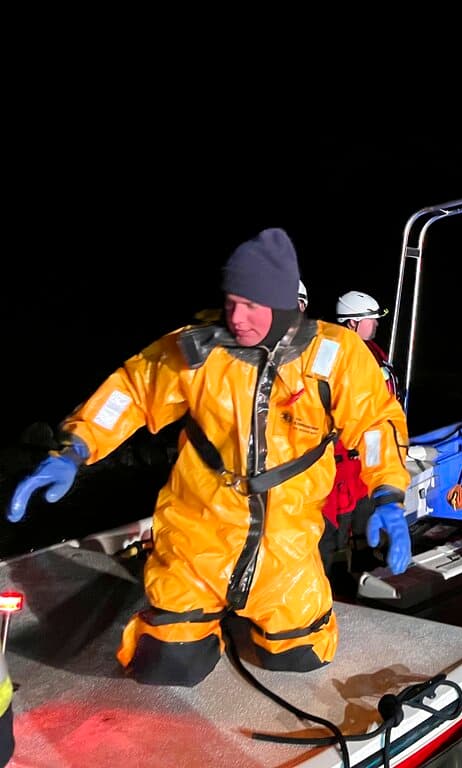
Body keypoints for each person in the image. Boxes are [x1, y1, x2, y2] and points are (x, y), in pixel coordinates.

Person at [6, 228, 412, 686]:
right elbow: (132, 392)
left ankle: (276, 624)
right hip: (197, 539)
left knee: (299, 657)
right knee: (164, 663)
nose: (237, 316)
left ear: (281, 303)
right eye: (232, 301)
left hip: (287, 548)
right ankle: (192, 625)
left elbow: (377, 424)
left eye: (252, 305)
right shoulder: (195, 350)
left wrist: (387, 493)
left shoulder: (337, 356)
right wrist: (75, 448)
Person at [323, 289, 404, 576]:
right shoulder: (334, 356)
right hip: (340, 468)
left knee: (368, 532)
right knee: (332, 536)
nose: (377, 324)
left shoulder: (373, 353)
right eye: (371, 319)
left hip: (366, 466)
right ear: (352, 323)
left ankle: (367, 575)